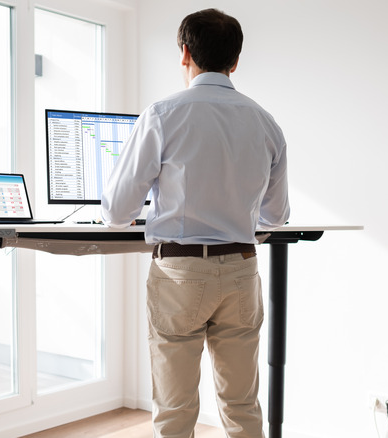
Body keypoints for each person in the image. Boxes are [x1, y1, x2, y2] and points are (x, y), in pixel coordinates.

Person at [101, 8, 289, 438]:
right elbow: (276, 216)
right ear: (235, 61)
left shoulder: (163, 114)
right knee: (242, 403)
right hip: (242, 269)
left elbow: (116, 211)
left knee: (175, 407)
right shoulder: (266, 123)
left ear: (185, 53)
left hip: (180, 273)